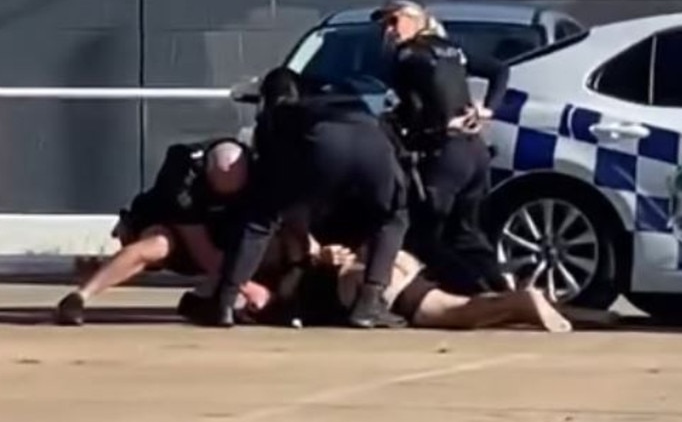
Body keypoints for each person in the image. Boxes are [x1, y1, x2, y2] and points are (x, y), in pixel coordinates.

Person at [194, 66, 410, 329]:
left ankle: (224, 302)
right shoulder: (338, 97)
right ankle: (369, 303)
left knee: (261, 219)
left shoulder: (280, 113)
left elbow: (273, 186)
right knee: (392, 216)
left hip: (324, 144)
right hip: (374, 144)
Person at [373, 0, 511, 296]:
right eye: (385, 25)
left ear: (416, 18)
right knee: (467, 234)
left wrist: (414, 126)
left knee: (425, 237)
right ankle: (502, 289)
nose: (389, 31)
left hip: (445, 154)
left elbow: (414, 107)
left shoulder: (407, 55)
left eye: (394, 21)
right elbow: (499, 70)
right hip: (474, 151)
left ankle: (474, 293)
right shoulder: (451, 49)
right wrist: (489, 109)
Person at [53, 139, 271, 325]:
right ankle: (78, 297)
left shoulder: (259, 172)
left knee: (261, 243)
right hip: (172, 230)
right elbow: (203, 253)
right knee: (158, 245)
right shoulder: (181, 175)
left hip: (221, 236)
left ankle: (203, 300)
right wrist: (248, 287)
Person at [261, 240, 580, 332]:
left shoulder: (279, 255)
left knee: (452, 313)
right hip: (382, 260)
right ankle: (521, 304)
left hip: (362, 279)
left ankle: (521, 301)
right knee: (455, 303)